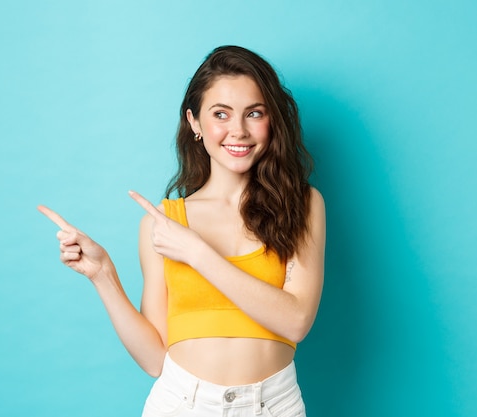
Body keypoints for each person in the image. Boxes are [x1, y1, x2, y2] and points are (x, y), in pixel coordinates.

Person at [38, 45, 326, 417]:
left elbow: (296, 321)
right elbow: (155, 359)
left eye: (254, 113)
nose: (237, 131)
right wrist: (102, 274)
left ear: (272, 121)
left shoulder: (302, 205)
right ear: (194, 122)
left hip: (274, 404)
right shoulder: (162, 224)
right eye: (220, 114)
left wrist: (197, 253)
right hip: (182, 404)